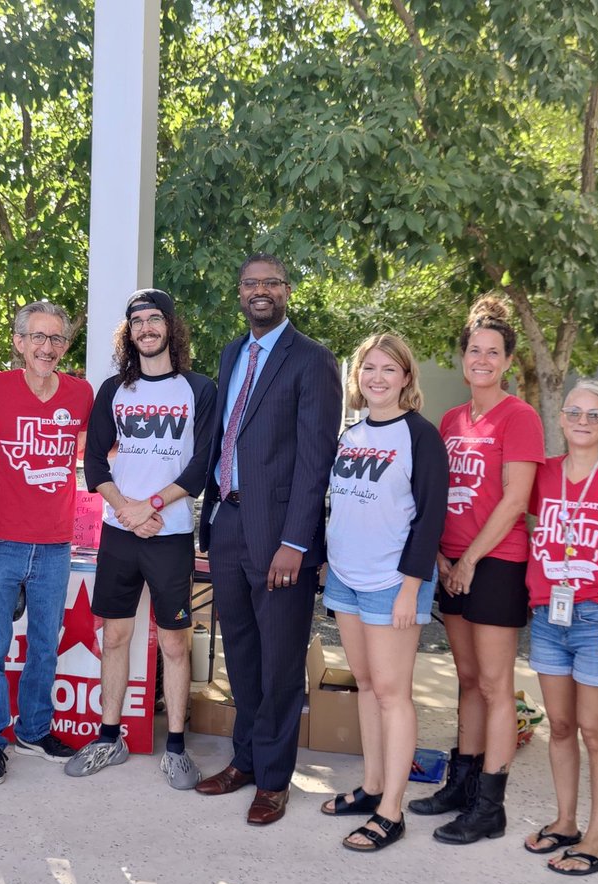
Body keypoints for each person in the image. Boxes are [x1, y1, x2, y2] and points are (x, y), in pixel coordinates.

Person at [195, 253, 341, 826]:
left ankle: (275, 781)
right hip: (228, 525)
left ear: (287, 291)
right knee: (243, 658)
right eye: (250, 282)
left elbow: (315, 460)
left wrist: (297, 542)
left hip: (280, 538)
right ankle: (246, 761)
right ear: (240, 292)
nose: (261, 291)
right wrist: (210, 521)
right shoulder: (233, 353)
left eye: (272, 283)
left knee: (281, 664)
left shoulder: (313, 361)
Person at [64, 289, 216, 790]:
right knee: (116, 637)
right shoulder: (113, 389)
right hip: (120, 534)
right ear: (128, 333)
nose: (146, 328)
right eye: (137, 322)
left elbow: (200, 467)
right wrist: (126, 511)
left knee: (174, 643)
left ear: (171, 328)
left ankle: (175, 747)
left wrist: (148, 508)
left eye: (155, 320)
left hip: (170, 534)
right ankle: (109, 737)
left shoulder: (199, 388)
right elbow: (94, 463)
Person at [409, 295, 545, 844]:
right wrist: (443, 557)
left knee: (495, 686)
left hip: (496, 565)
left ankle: (491, 804)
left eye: (493, 352)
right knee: (467, 680)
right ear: (463, 357)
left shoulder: (521, 417)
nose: (482, 360)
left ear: (508, 361)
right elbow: (444, 496)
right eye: (473, 350)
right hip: (454, 565)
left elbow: (515, 501)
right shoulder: (451, 418)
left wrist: (467, 561)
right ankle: (460, 784)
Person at [318, 333, 448, 851]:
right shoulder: (349, 435)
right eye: (368, 368)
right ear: (358, 377)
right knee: (367, 686)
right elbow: (343, 505)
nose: (377, 377)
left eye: (388, 369)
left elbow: (431, 515)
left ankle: (392, 811)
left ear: (406, 378)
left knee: (394, 695)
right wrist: (329, 562)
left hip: (393, 582)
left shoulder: (420, 436)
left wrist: (409, 589)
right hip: (347, 579)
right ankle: (372, 787)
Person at [0, 301, 94, 785]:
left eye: (57, 338)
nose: (47, 347)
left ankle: (34, 730)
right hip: (0, 539)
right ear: (19, 343)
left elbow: (102, 446)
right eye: (37, 337)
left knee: (43, 647)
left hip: (56, 543)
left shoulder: (81, 395)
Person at [521, 381, 598, 875]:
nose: (583, 421)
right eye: (575, 412)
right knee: (561, 727)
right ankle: (566, 822)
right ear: (561, 419)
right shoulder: (544, 474)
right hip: (549, 615)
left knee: (597, 733)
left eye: (595, 415)